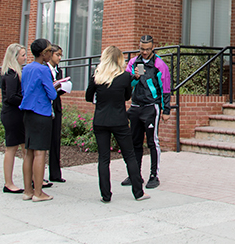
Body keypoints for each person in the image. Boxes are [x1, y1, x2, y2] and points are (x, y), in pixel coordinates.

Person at [86, 46, 150, 203]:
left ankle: (106, 195)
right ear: (119, 59)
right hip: (119, 120)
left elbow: (88, 97)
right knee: (129, 156)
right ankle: (138, 192)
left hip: (100, 120)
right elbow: (128, 96)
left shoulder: (97, 76)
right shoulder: (125, 77)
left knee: (104, 159)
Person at [122, 35, 171, 189]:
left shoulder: (159, 64)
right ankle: (134, 175)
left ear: (153, 48)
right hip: (136, 106)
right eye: (142, 49)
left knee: (152, 142)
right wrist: (135, 77)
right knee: (135, 142)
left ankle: (153, 175)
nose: (144, 52)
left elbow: (166, 88)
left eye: (147, 49)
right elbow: (127, 84)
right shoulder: (132, 62)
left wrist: (166, 110)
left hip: (151, 106)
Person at [19, 38, 61, 202]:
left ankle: (28, 190)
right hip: (41, 113)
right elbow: (51, 94)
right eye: (50, 50)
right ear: (43, 53)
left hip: (28, 113)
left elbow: (25, 89)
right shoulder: (44, 70)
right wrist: (55, 86)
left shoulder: (27, 68)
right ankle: (38, 192)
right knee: (40, 153)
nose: (51, 53)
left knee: (29, 152)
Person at [0, 43, 27, 194]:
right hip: (13, 115)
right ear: (14, 57)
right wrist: (27, 100)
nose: (24, 58)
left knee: (23, 148)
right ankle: (9, 183)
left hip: (15, 114)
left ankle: (30, 179)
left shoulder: (13, 73)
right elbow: (11, 97)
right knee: (12, 148)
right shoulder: (12, 75)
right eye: (22, 55)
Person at [47, 44, 72, 183]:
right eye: (57, 55)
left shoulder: (59, 71)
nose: (60, 58)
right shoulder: (45, 69)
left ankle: (55, 173)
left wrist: (63, 87)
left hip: (56, 106)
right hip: (45, 107)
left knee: (56, 140)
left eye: (61, 55)